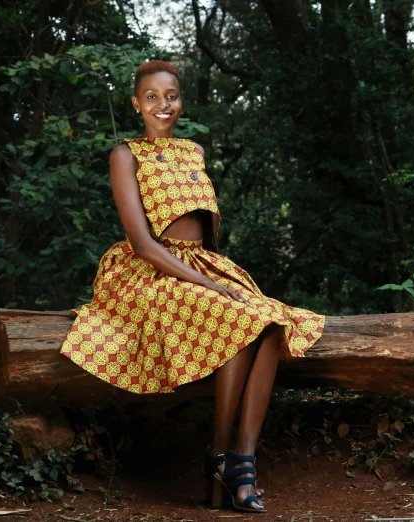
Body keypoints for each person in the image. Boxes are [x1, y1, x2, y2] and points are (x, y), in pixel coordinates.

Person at [60, 60, 325, 513]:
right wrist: (204, 283)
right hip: (150, 270)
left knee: (271, 322)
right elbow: (141, 242)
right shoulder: (125, 154)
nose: (163, 105)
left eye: (171, 96)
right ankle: (221, 455)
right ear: (136, 104)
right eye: (152, 97)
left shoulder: (194, 150)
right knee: (240, 317)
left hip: (200, 263)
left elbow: (204, 228)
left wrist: (212, 277)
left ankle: (239, 456)